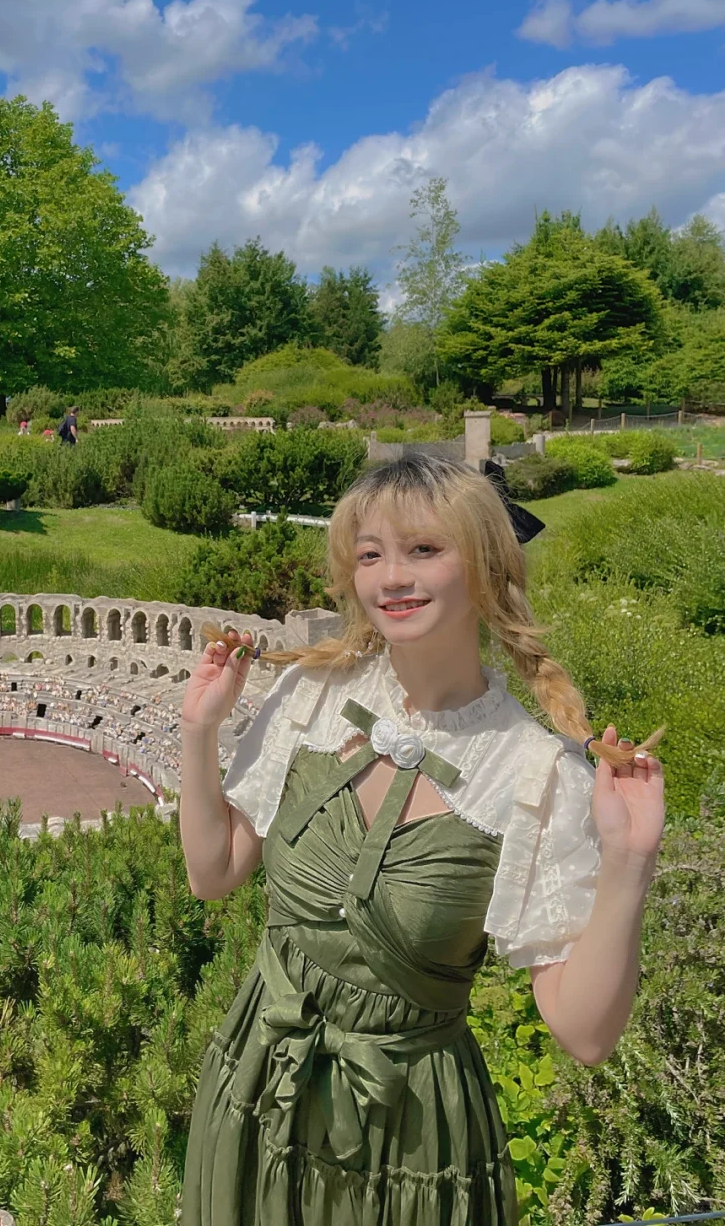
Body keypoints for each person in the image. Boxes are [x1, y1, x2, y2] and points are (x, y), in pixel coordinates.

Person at [178, 453, 665, 1226]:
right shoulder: (310, 697)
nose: (391, 577)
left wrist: (631, 861)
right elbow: (213, 871)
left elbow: (585, 1031)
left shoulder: (535, 772)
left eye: (424, 549)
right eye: (371, 553)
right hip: (258, 1091)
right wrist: (198, 731)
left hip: (410, 1144)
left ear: (485, 565)